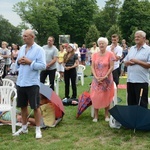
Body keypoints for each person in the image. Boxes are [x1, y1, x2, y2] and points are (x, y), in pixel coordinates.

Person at [13, 29, 46, 139]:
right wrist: (19, 62)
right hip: (21, 82)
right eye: (23, 36)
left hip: (32, 82)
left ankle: (38, 129)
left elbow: (42, 66)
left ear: (32, 37)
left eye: (26, 36)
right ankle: (24, 128)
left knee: (35, 107)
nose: (24, 38)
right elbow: (17, 64)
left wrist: (30, 62)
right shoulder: (22, 48)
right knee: (23, 106)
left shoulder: (39, 50)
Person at [90, 37, 115, 122]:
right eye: (99, 43)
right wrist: (96, 77)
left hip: (107, 79)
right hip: (96, 79)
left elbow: (112, 66)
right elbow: (92, 67)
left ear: (106, 44)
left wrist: (105, 76)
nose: (101, 45)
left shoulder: (110, 54)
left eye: (103, 43)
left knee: (106, 96)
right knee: (95, 96)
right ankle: (96, 116)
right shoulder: (94, 55)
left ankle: (106, 115)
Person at [124, 30, 150, 108]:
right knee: (131, 103)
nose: (136, 38)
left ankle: (142, 120)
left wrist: (137, 61)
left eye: (138, 37)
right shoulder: (132, 48)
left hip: (141, 81)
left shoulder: (148, 50)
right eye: (135, 37)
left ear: (144, 38)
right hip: (130, 80)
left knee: (141, 103)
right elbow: (125, 61)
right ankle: (132, 119)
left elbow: (149, 65)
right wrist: (128, 62)